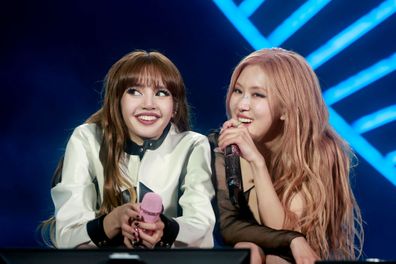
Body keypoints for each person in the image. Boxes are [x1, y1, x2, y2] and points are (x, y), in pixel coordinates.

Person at [41, 50, 215, 249]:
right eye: (134, 91)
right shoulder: (87, 139)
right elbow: (67, 234)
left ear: (174, 107)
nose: (148, 104)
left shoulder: (192, 145)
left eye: (161, 93)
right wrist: (113, 221)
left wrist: (164, 230)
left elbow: (202, 229)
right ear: (118, 101)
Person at [209, 48, 363, 263]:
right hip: (240, 248)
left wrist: (257, 163)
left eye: (258, 95)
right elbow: (229, 227)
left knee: (277, 258)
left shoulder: (319, 153)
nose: (242, 105)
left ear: (287, 109)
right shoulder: (223, 145)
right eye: (237, 91)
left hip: (286, 256)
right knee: (248, 248)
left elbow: (288, 237)